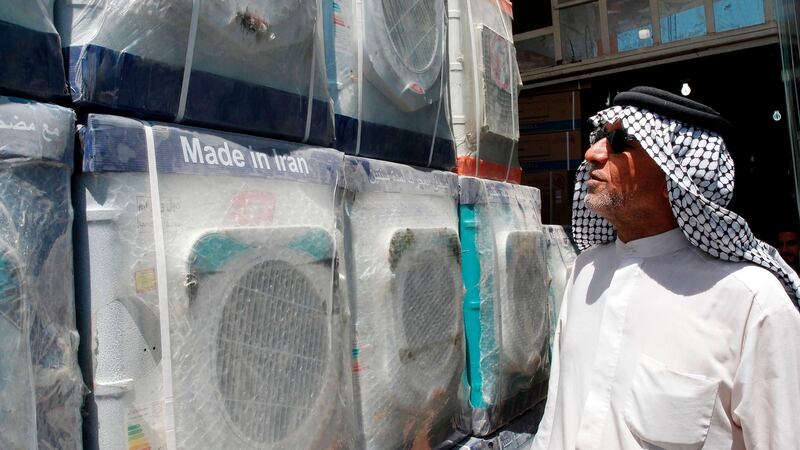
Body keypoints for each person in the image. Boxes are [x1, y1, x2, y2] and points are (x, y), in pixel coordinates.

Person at [531, 87, 800, 449]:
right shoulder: (586, 269)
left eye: (620, 142)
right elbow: (555, 421)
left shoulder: (752, 302)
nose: (592, 153)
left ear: (676, 175)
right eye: (599, 137)